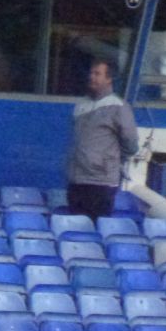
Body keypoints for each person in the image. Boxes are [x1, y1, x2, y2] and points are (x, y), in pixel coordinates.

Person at [65, 59, 138, 220]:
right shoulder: (81, 105)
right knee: (76, 228)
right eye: (91, 73)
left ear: (109, 79)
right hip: (77, 179)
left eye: (97, 74)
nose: (92, 77)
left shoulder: (118, 107)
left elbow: (131, 144)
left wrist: (108, 160)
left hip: (101, 182)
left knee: (95, 229)